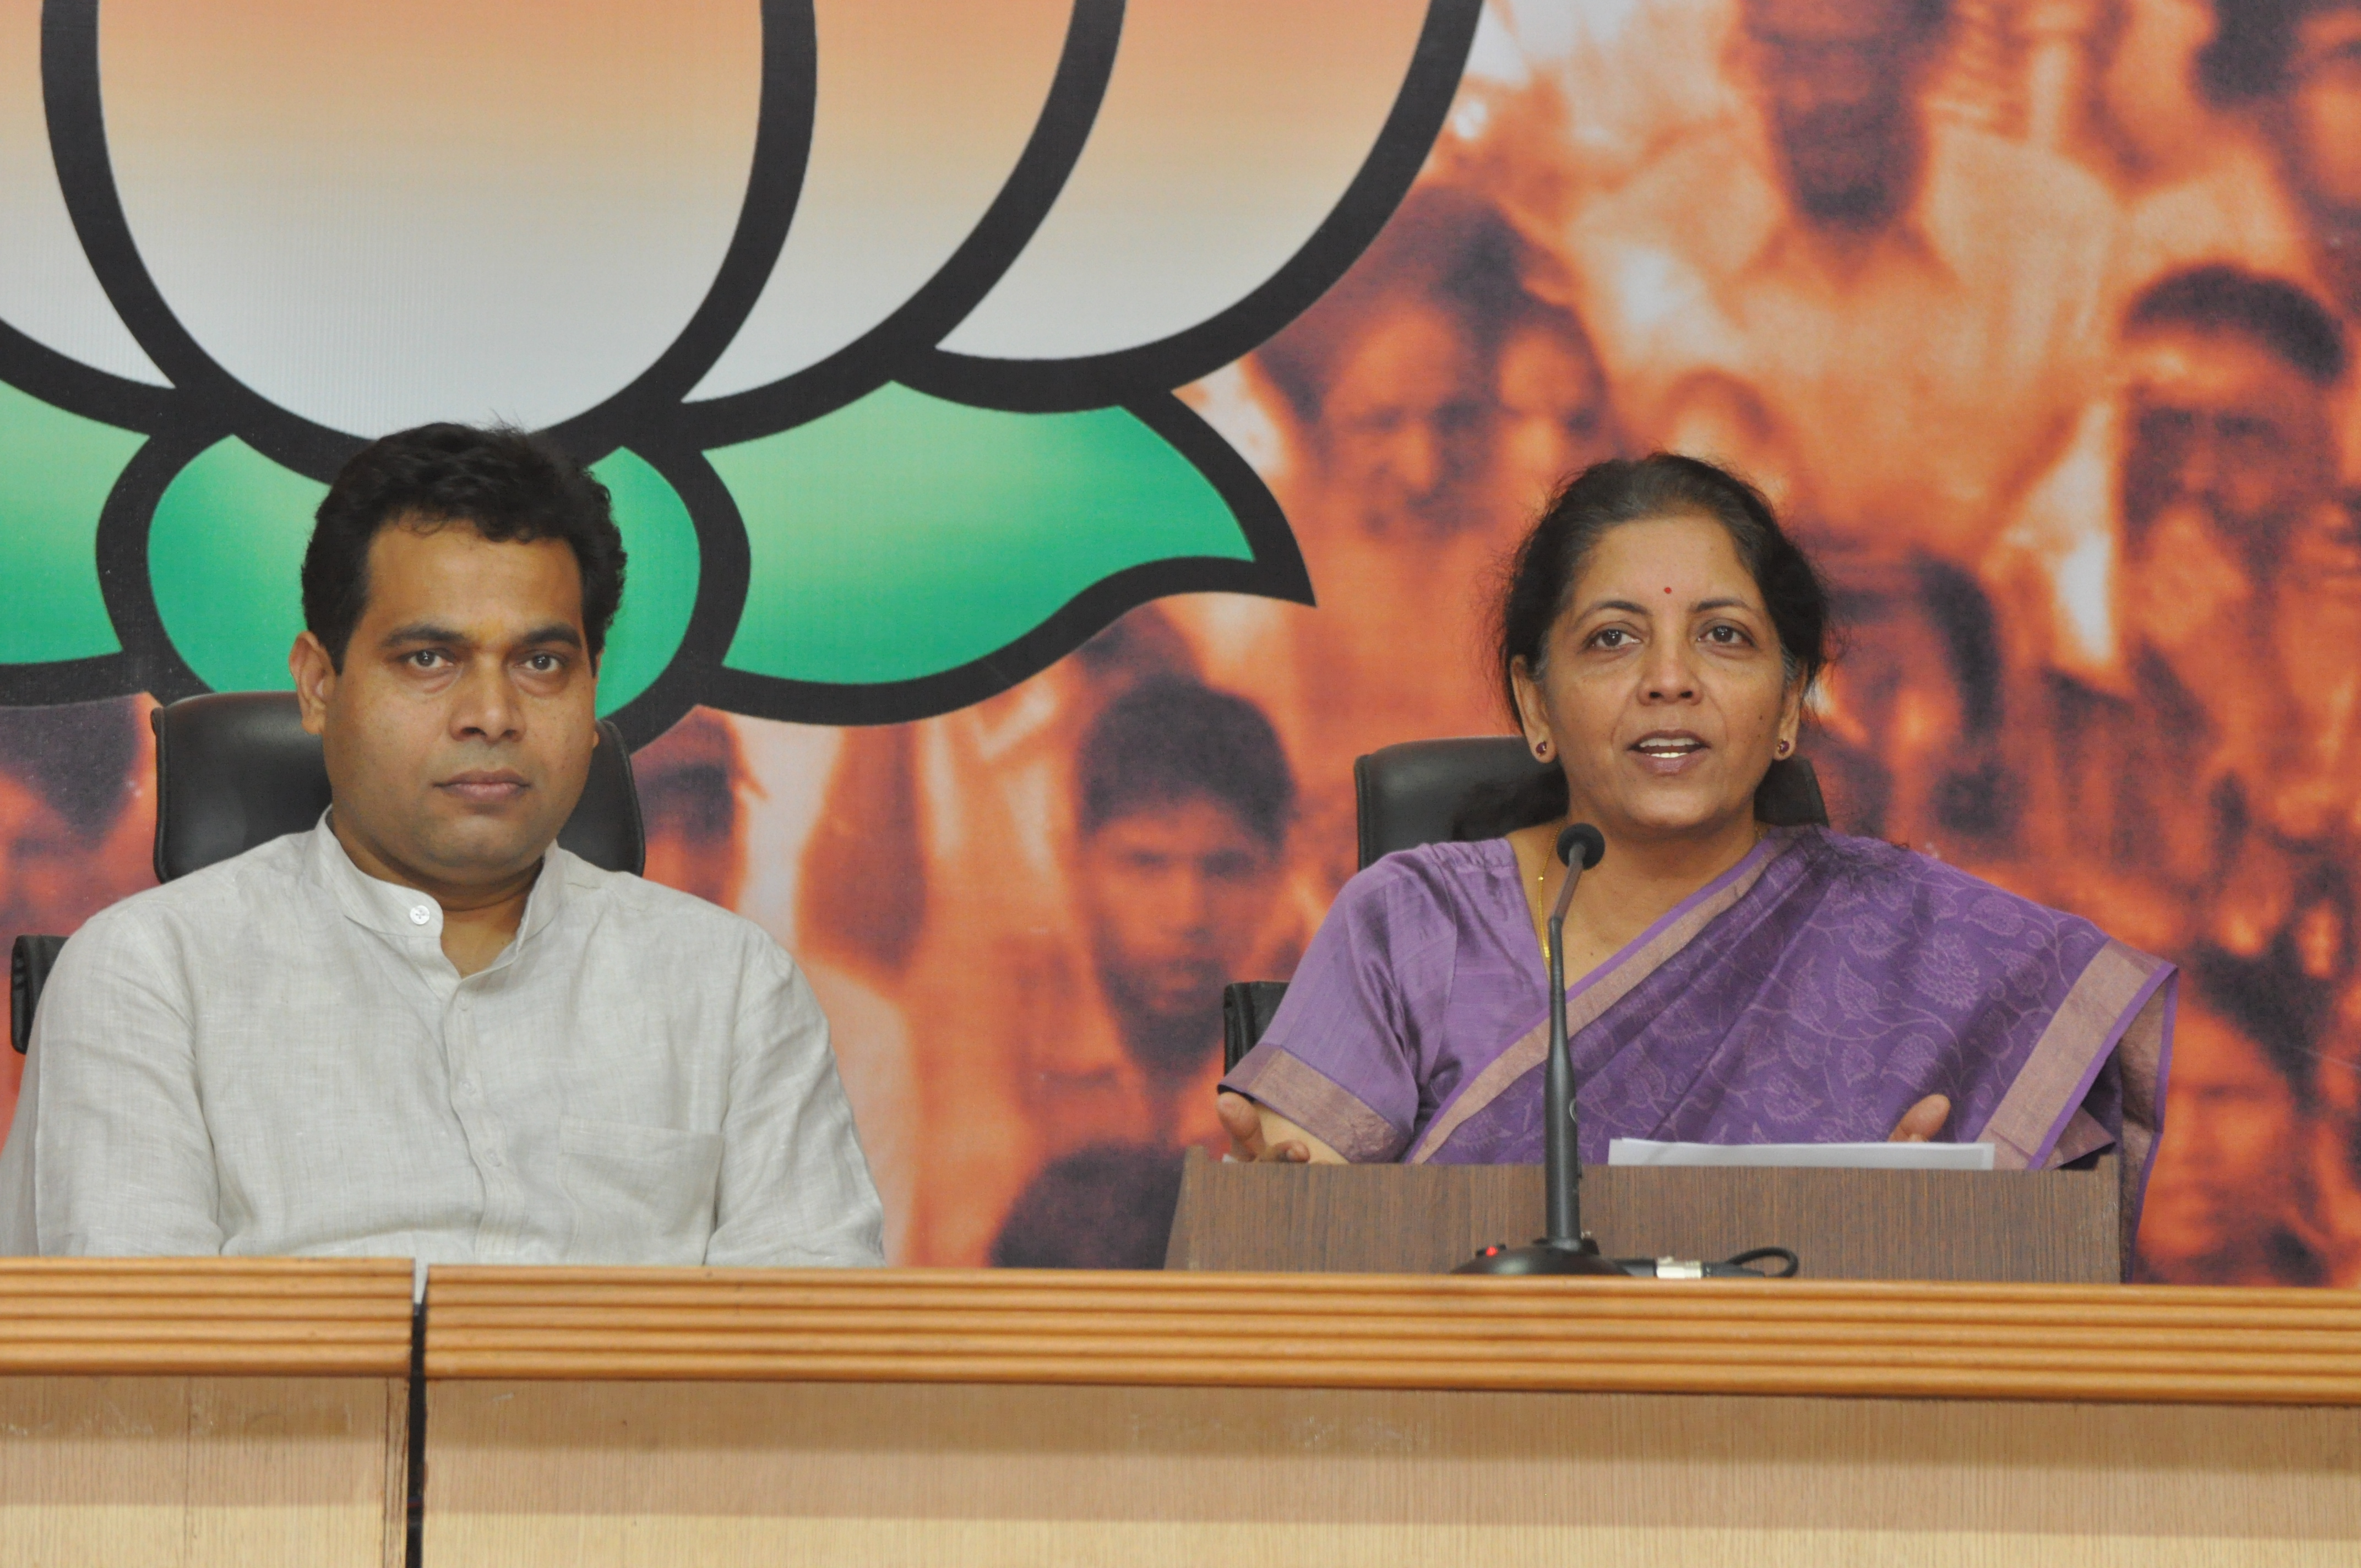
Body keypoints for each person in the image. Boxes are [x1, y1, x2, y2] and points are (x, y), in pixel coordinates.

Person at [1216, 455, 2173, 1268]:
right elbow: (1299, 1268)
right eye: (1611, 639)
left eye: (1723, 636)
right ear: (1536, 702)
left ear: (1791, 700)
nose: (1668, 679)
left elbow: (2045, 1284)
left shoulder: (1937, 953)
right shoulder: (1413, 924)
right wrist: (1276, 1206)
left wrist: (1913, 1234)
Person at [0, 424, 883, 1265]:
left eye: (541, 664)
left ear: (591, 688)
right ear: (318, 685)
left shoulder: (731, 988)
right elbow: (132, 1373)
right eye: (429, 659)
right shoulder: (151, 975)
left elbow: (810, 1366)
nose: (492, 716)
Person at [1560, 0, 2118, 568]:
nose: (1803, 99)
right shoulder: (1648, 235)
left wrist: (1949, 609)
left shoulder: (2056, 241)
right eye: (1776, 57)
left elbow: (2083, 527)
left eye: (1844, 60)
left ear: (1932, 52)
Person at [1070, 679, 1295, 1151]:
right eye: (1145, 865)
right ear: (1075, 862)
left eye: (1226, 869)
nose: (1188, 914)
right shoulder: (1000, 1013)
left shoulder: (1328, 1030)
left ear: (1279, 870)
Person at [2136, 963, 2331, 1284]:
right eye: (2145, 1101)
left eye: (2225, 1097)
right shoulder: (2050, 1308)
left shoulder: (2343, 1308)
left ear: (2305, 1119)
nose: (2185, 1147)